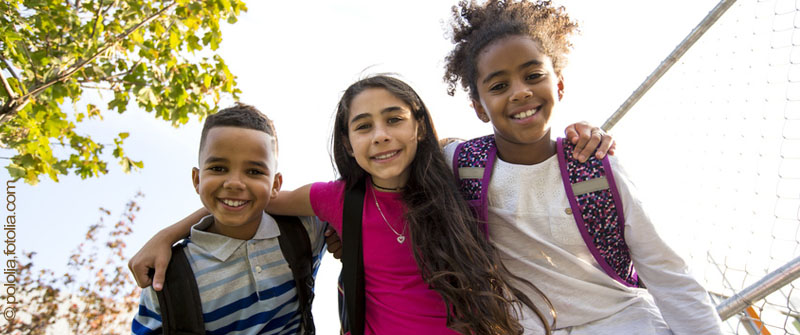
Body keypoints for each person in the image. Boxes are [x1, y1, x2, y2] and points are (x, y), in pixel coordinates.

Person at [440, 1, 724, 334]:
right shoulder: (461, 164)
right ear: (479, 108)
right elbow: (410, 146)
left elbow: (667, 273)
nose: (521, 92)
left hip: (624, 320)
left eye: (533, 75)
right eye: (499, 86)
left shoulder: (596, 168)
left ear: (558, 86)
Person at [131, 103, 327, 335]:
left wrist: (169, 233)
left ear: (275, 185)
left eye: (254, 172)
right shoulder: (168, 278)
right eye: (218, 168)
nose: (234, 183)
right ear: (197, 179)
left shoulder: (305, 229)